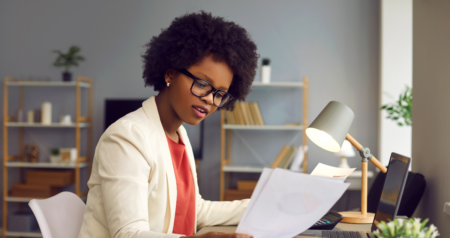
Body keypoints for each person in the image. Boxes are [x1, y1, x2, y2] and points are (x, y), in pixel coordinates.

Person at [78, 11, 258, 238]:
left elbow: (194, 210)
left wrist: (261, 207)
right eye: (202, 83)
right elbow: (128, 233)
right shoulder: (126, 137)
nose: (210, 100)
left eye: (220, 94)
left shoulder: (179, 136)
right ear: (170, 74)